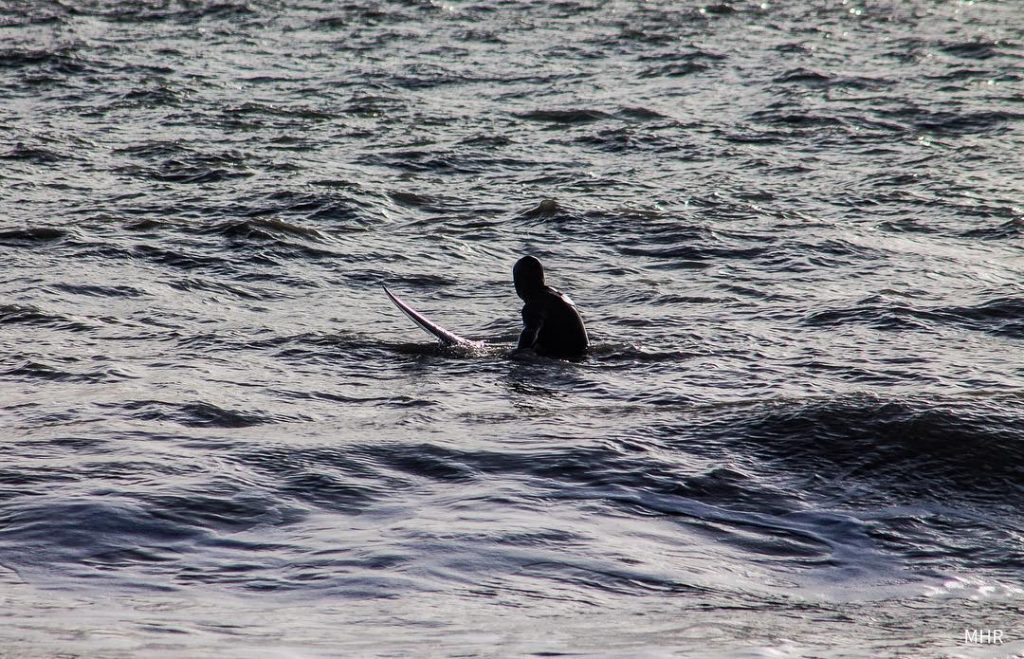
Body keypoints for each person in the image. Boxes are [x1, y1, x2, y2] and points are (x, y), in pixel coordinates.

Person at [512, 256, 589, 358]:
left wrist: (516, 356)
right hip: (583, 354)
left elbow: (530, 332)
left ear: (518, 282)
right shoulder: (557, 296)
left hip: (570, 358)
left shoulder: (535, 303)